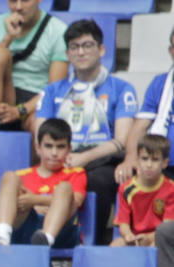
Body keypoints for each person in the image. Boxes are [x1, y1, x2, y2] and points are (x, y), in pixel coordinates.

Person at [35, 20, 136, 246]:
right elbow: (40, 136)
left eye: (87, 45)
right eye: (74, 47)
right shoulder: (52, 91)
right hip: (59, 156)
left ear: (101, 49)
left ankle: (91, 244)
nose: (80, 51)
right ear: (67, 54)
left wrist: (83, 158)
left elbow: (121, 141)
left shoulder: (121, 89)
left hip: (101, 160)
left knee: (96, 182)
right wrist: (59, 157)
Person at [0, 117, 85, 247]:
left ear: (69, 149)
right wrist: (42, 203)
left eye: (60, 147)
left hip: (62, 234)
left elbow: (76, 202)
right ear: (37, 147)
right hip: (26, 228)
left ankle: (46, 239)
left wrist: (34, 200)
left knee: (64, 188)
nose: (54, 153)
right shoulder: (22, 175)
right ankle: (2, 237)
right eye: (48, 146)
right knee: (9, 177)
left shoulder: (76, 173)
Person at [0, 0, 66, 134]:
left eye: (25, 1)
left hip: (36, 99)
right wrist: (8, 38)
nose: (18, 7)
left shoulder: (58, 30)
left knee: (37, 123)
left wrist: (20, 110)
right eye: (13, 1)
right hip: (2, 93)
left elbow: (55, 88)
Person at [118, 26, 174, 189]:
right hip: (161, 166)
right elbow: (141, 125)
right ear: (171, 51)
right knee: (127, 180)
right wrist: (130, 158)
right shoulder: (160, 83)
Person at [112, 135, 174, 247]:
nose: (149, 165)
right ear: (137, 161)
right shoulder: (126, 189)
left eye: (155, 160)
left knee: (154, 246)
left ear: (164, 163)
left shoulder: (171, 189)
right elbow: (123, 223)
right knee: (116, 246)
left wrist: (148, 238)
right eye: (144, 159)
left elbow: (168, 228)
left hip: (160, 237)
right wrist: (128, 235)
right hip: (135, 237)